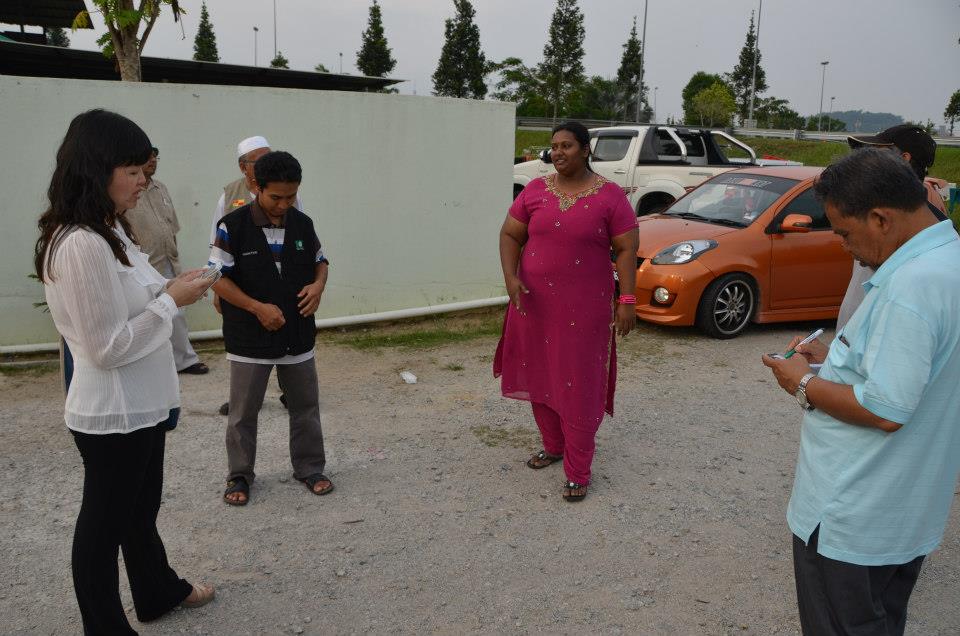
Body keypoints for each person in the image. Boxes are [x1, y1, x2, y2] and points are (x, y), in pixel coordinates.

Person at [762, 149, 960, 636]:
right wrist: (834, 357)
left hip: (854, 513)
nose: (843, 246)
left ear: (880, 218)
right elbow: (912, 369)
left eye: (845, 232)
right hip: (902, 511)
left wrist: (802, 382)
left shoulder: (910, 287)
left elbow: (885, 408)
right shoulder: (945, 260)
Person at [35, 109, 215, 635]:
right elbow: (104, 348)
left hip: (143, 404)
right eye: (133, 171)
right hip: (113, 410)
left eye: (145, 171)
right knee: (103, 527)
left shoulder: (109, 228)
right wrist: (172, 303)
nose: (143, 182)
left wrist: (174, 287)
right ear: (97, 168)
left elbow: (134, 299)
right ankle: (105, 627)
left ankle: (155, 591)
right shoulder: (82, 244)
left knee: (139, 512)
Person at [494, 121, 639, 502]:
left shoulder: (610, 197)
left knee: (579, 383)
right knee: (539, 372)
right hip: (534, 305)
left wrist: (627, 300)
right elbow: (510, 235)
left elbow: (625, 250)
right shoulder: (536, 190)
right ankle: (554, 446)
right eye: (554, 146)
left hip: (584, 311)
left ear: (585, 149)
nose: (558, 153)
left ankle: (578, 470)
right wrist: (511, 279)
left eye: (567, 146)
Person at [208, 150, 332, 506]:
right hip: (249, 338)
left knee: (305, 407)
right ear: (256, 188)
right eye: (276, 197)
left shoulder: (302, 224)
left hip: (298, 334)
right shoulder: (231, 226)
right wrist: (255, 307)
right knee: (243, 413)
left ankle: (310, 468)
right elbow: (216, 277)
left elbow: (320, 262)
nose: (283, 204)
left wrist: (319, 285)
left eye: (291, 196)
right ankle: (240, 475)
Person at [211, 135, 301, 414]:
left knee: (286, 337)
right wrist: (216, 288)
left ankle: (290, 391)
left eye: (268, 156)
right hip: (244, 285)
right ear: (243, 167)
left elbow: (302, 236)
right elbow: (215, 239)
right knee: (245, 344)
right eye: (258, 159)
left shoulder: (287, 195)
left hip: (281, 283)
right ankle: (246, 398)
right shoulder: (229, 194)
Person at [836, 124, 947, 329]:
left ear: (904, 159)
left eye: (877, 154)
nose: (867, 162)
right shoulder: (870, 210)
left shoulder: (926, 230)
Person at [125, 146, 208, 374]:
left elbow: (172, 224)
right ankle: (161, 361)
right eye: (147, 158)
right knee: (149, 313)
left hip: (168, 259)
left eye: (155, 158)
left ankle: (184, 360)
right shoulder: (129, 191)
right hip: (143, 262)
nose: (152, 161)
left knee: (177, 311)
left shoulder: (161, 188)